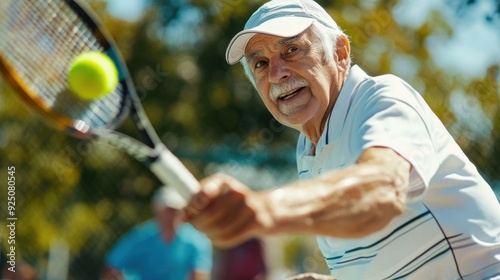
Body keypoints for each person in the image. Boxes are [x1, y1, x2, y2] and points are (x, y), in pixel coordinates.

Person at [181, 0, 500, 279]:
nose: (277, 72)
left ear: (340, 52)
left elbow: (382, 190)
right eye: (260, 63)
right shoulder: (307, 149)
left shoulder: (383, 96)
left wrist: (262, 209)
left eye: (291, 49)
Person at [101, 186, 213, 280]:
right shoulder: (140, 236)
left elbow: (200, 275)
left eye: (176, 210)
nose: (172, 216)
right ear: (157, 211)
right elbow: (112, 269)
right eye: (168, 210)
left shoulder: (197, 241)